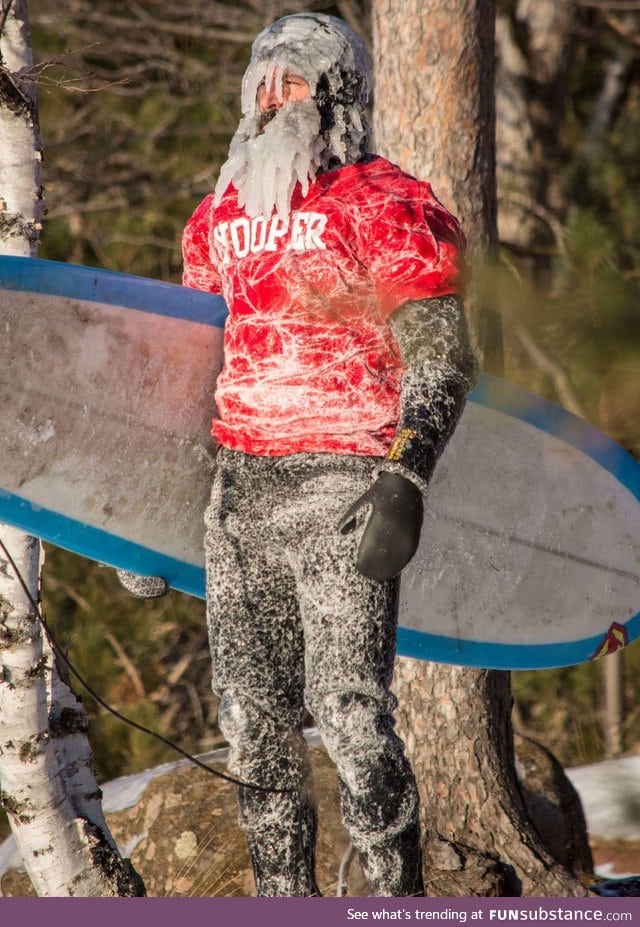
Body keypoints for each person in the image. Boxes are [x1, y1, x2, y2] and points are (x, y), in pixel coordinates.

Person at [120, 12, 477, 897]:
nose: (273, 99)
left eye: (295, 81)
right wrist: (138, 513)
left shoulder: (381, 201)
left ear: (339, 93)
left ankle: (394, 900)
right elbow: (186, 364)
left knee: (353, 720)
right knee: (253, 726)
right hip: (237, 499)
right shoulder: (217, 218)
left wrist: (405, 478)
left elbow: (442, 350)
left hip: (344, 488)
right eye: (262, 82)